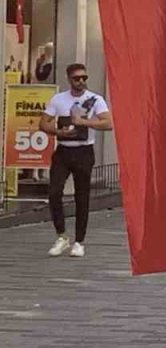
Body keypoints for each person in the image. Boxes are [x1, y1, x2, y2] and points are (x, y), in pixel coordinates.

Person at [40, 63, 111, 258]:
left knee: (82, 196)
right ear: (69, 79)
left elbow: (108, 122)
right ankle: (62, 236)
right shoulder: (59, 99)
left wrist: (83, 122)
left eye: (84, 78)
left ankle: (80, 241)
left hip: (84, 151)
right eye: (77, 78)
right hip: (63, 151)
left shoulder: (95, 99)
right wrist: (57, 131)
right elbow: (43, 123)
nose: (81, 82)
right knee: (54, 192)